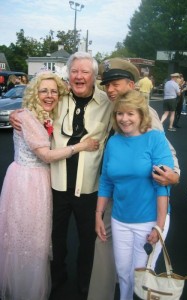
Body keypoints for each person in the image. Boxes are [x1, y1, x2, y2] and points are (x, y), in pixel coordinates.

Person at [9, 52, 113, 300]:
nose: (79, 76)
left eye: (85, 72)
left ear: (94, 76)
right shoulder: (59, 98)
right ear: (69, 74)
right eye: (74, 71)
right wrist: (17, 113)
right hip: (55, 184)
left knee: (89, 240)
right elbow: (36, 105)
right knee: (55, 238)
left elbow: (137, 117)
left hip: (89, 187)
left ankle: (86, 281)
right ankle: (56, 277)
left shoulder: (109, 104)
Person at [88, 58, 180, 300]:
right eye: (106, 85)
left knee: (137, 271)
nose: (110, 90)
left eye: (115, 84)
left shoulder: (145, 113)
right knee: (118, 265)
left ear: (131, 83)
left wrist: (174, 175)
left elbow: (164, 156)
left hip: (143, 206)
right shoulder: (110, 106)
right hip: (115, 199)